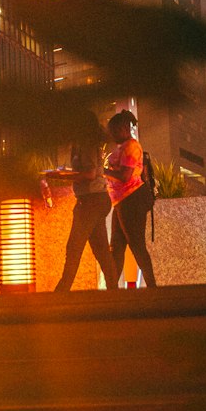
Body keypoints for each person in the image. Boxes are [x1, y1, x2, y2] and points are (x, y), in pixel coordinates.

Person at [53, 114, 120, 291]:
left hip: (91, 200)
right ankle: (114, 291)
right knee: (101, 250)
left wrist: (64, 176)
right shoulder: (84, 144)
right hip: (96, 199)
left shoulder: (87, 144)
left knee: (74, 246)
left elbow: (90, 174)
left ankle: (61, 291)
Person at [105, 109, 157, 288]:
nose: (111, 134)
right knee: (116, 247)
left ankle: (152, 287)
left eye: (114, 130)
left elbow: (125, 176)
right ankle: (112, 288)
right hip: (121, 202)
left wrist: (102, 171)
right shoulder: (122, 148)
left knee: (136, 244)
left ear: (124, 128)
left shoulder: (131, 146)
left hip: (131, 199)